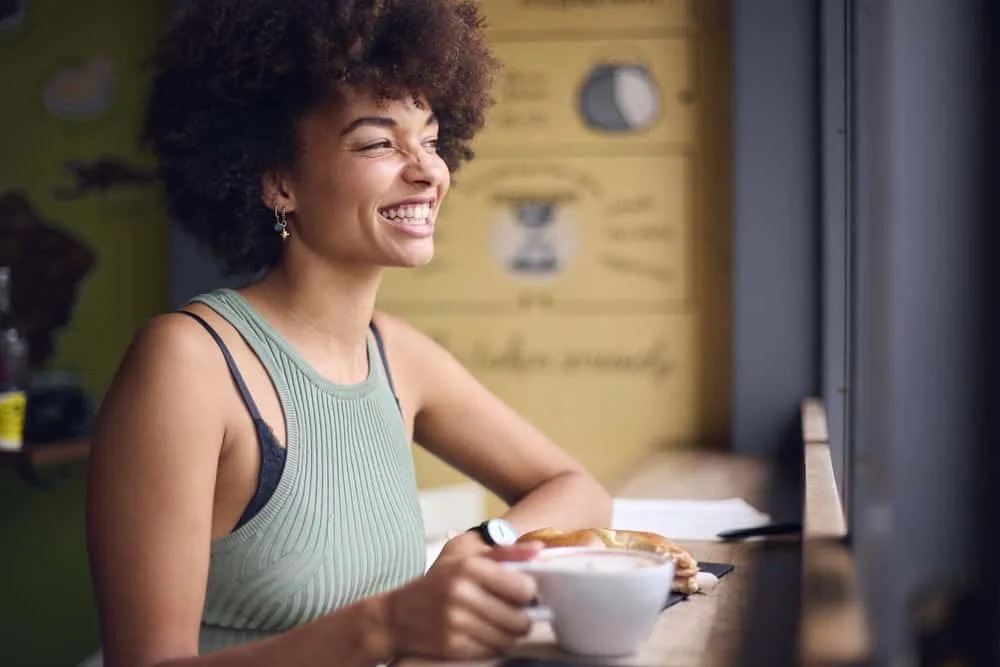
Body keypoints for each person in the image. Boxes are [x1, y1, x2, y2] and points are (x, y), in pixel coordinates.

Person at [84, 1, 613, 666]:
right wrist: (387, 626)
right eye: (378, 142)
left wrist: (487, 539)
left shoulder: (395, 353)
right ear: (278, 181)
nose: (426, 170)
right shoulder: (188, 364)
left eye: (430, 136)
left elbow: (580, 487)